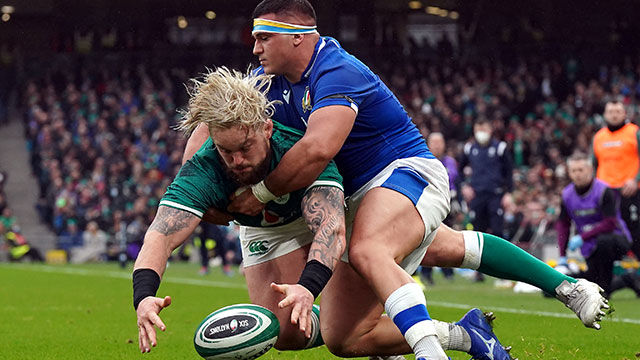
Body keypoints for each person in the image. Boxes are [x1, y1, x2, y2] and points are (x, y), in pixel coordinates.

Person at [184, 1, 609, 357]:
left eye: (263, 37)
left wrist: (258, 194)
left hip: (403, 171)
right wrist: (200, 181)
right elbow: (213, 122)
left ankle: (431, 351)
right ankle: (478, 328)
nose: (254, 47)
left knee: (371, 249)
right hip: (356, 198)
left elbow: (317, 149)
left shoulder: (336, 70)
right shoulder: (267, 82)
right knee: (344, 337)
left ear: (296, 35)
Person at [133, 68, 507, 359]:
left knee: (344, 330)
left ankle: (458, 335)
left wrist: (307, 288)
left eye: (244, 148)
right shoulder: (206, 165)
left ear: (265, 129)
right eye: (225, 151)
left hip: (317, 212)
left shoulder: (300, 153)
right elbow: (161, 234)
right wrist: (145, 294)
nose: (236, 161)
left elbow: (330, 230)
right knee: (284, 334)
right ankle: (451, 333)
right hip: (262, 227)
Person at [556, 151, 640, 298]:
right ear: (569, 173)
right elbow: (563, 224)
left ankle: (605, 290)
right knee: (585, 282)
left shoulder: (604, 191)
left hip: (616, 240)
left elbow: (610, 223)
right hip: (590, 247)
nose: (578, 174)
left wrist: (582, 237)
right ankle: (627, 280)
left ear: (590, 170)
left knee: (603, 243)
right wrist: (562, 255)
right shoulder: (566, 195)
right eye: (574, 171)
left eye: (581, 170)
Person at [592, 100, 640, 260]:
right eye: (611, 111)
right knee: (608, 231)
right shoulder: (599, 137)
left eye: (618, 111)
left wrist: (635, 180)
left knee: (634, 230)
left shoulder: (635, 132)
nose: (614, 115)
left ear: (624, 114)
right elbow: (595, 164)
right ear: (605, 115)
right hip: (606, 193)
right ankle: (611, 274)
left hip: (630, 190)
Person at [460, 118, 513, 240]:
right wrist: (464, 186)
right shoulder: (469, 148)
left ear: (490, 130)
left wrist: (509, 193)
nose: (480, 132)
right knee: (477, 232)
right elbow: (460, 170)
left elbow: (509, 172)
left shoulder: (500, 147)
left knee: (497, 231)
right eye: (478, 130)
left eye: (483, 129)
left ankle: (499, 259)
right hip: (477, 195)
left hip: (495, 195)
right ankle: (478, 259)